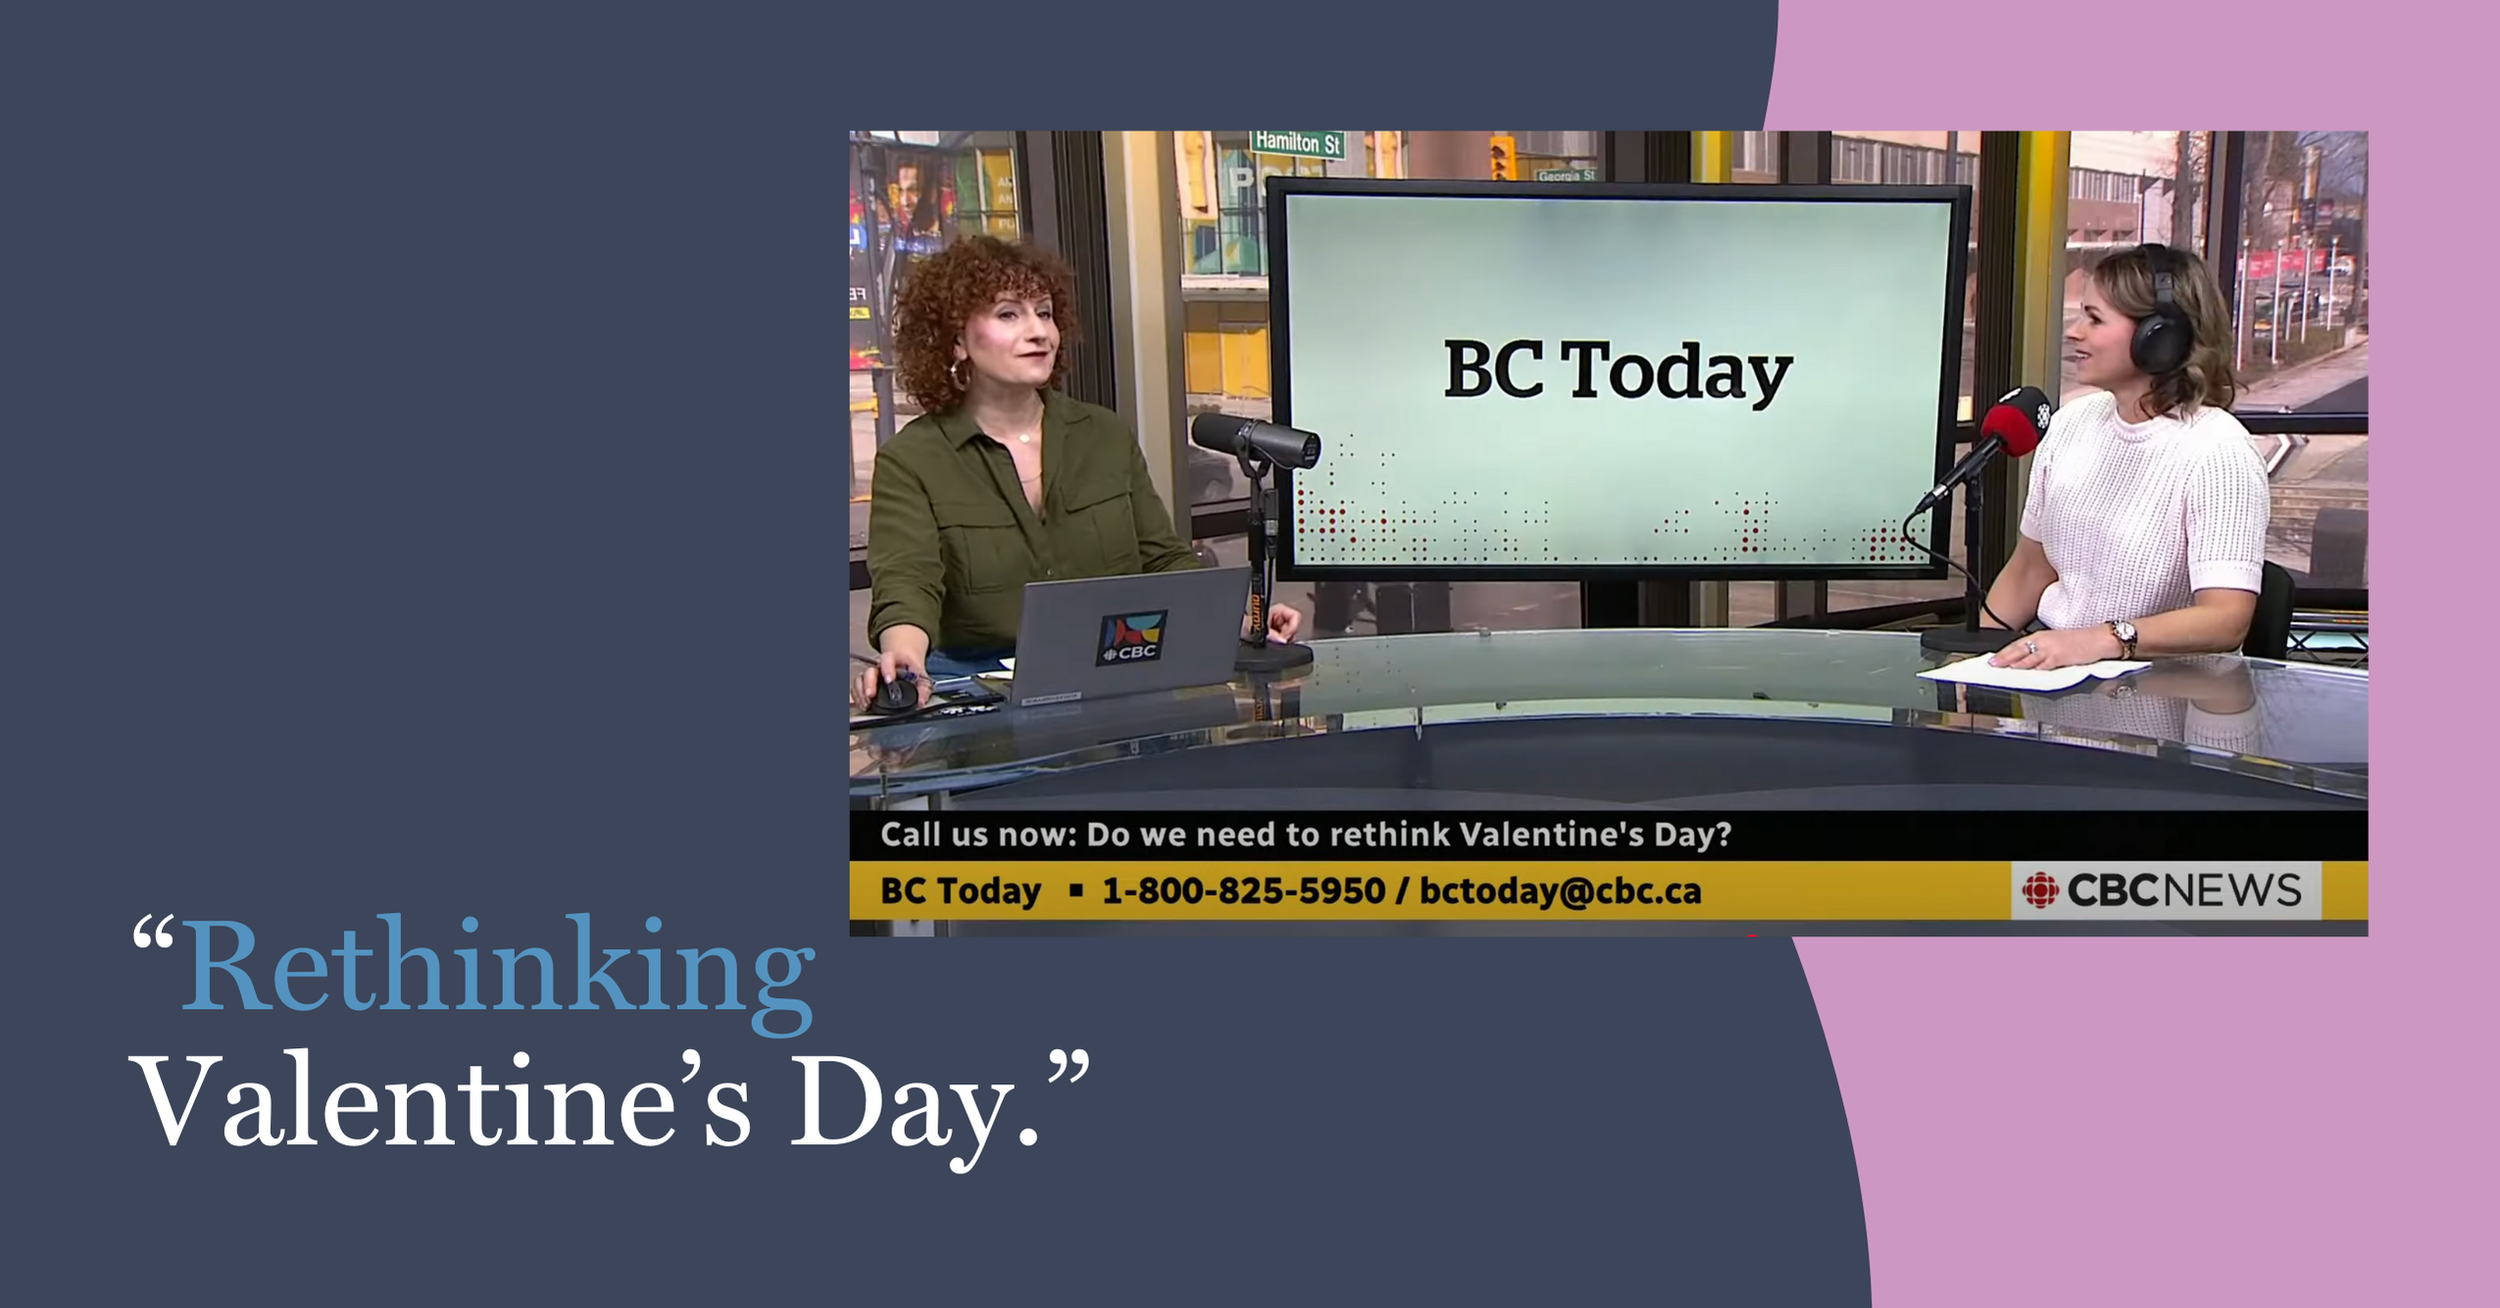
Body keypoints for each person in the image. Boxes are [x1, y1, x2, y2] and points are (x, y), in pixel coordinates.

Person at [853, 235, 1301, 709]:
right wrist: (903, 658)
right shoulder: (914, 458)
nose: (1039, 332)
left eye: (1044, 313)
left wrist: (1236, 618)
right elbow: (908, 583)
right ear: (957, 339)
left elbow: (1162, 559)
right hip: (982, 687)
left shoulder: (1103, 435)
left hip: (1117, 672)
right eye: (1009, 314)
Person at [1983, 244, 2269, 673]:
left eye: (2094, 319)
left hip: (2164, 692)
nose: (2074, 332)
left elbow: (2226, 620)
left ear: (2159, 338)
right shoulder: (2071, 423)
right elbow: (2028, 571)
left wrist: (2100, 640)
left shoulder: (2220, 452)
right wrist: (1979, 664)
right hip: (2055, 680)